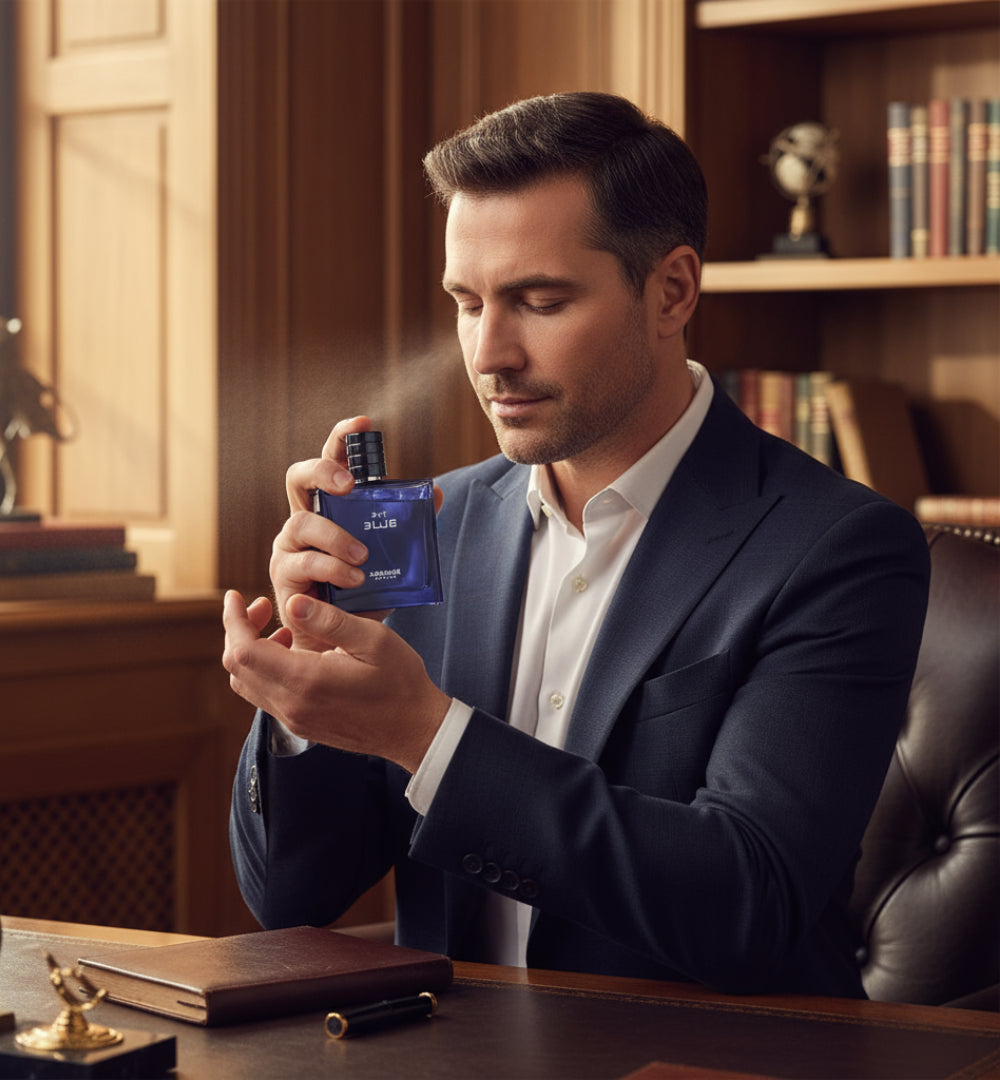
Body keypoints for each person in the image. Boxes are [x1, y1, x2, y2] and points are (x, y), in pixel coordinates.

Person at [223, 92, 930, 998]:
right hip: (445, 1056)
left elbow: (748, 903)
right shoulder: (434, 522)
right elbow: (289, 896)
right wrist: (304, 698)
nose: (489, 354)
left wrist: (424, 734)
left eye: (540, 301)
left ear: (672, 291)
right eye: (467, 302)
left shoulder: (840, 548)